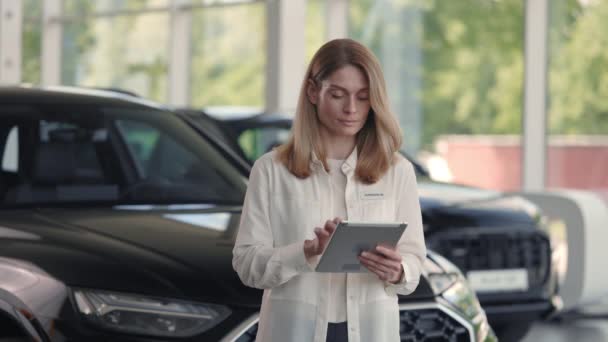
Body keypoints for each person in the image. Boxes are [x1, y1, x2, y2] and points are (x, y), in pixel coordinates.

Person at [232, 38, 426, 342]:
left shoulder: (397, 171)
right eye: (338, 95)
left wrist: (399, 271)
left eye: (363, 97)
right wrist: (306, 252)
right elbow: (247, 266)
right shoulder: (271, 170)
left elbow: (414, 261)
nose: (351, 109)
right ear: (313, 91)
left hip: (371, 330)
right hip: (294, 330)